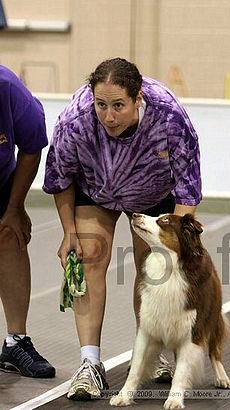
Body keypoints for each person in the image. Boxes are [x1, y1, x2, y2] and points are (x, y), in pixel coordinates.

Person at [43, 57, 201, 399]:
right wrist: (69, 230)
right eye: (101, 105)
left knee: (154, 270)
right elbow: (59, 178)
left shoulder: (168, 116)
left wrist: (178, 244)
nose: (109, 116)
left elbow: (188, 187)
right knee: (88, 260)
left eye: (118, 105)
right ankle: (89, 365)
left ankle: (151, 354)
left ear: (138, 98)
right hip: (95, 189)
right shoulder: (75, 120)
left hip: (153, 194)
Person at [0, 65, 55, 378]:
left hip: (1, 177)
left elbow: (32, 148)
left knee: (11, 234)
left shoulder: (8, 88)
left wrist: (14, 207)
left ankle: (15, 342)